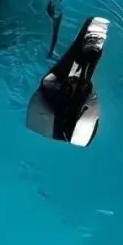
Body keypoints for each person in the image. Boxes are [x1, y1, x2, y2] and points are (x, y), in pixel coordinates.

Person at [26, 16, 108, 147]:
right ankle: (94, 37)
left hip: (81, 131)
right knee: (59, 81)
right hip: (61, 124)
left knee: (70, 81)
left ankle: (94, 39)